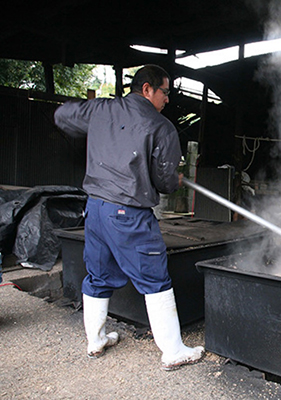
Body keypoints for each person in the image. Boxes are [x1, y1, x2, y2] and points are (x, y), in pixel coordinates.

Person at [54, 64, 204, 371]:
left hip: (95, 209)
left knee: (97, 274)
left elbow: (62, 116)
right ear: (147, 89)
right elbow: (163, 182)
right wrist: (175, 180)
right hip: (129, 214)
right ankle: (173, 351)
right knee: (156, 278)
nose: (167, 99)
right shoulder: (161, 127)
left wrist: (99, 127)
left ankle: (95, 341)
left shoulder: (102, 109)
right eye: (165, 92)